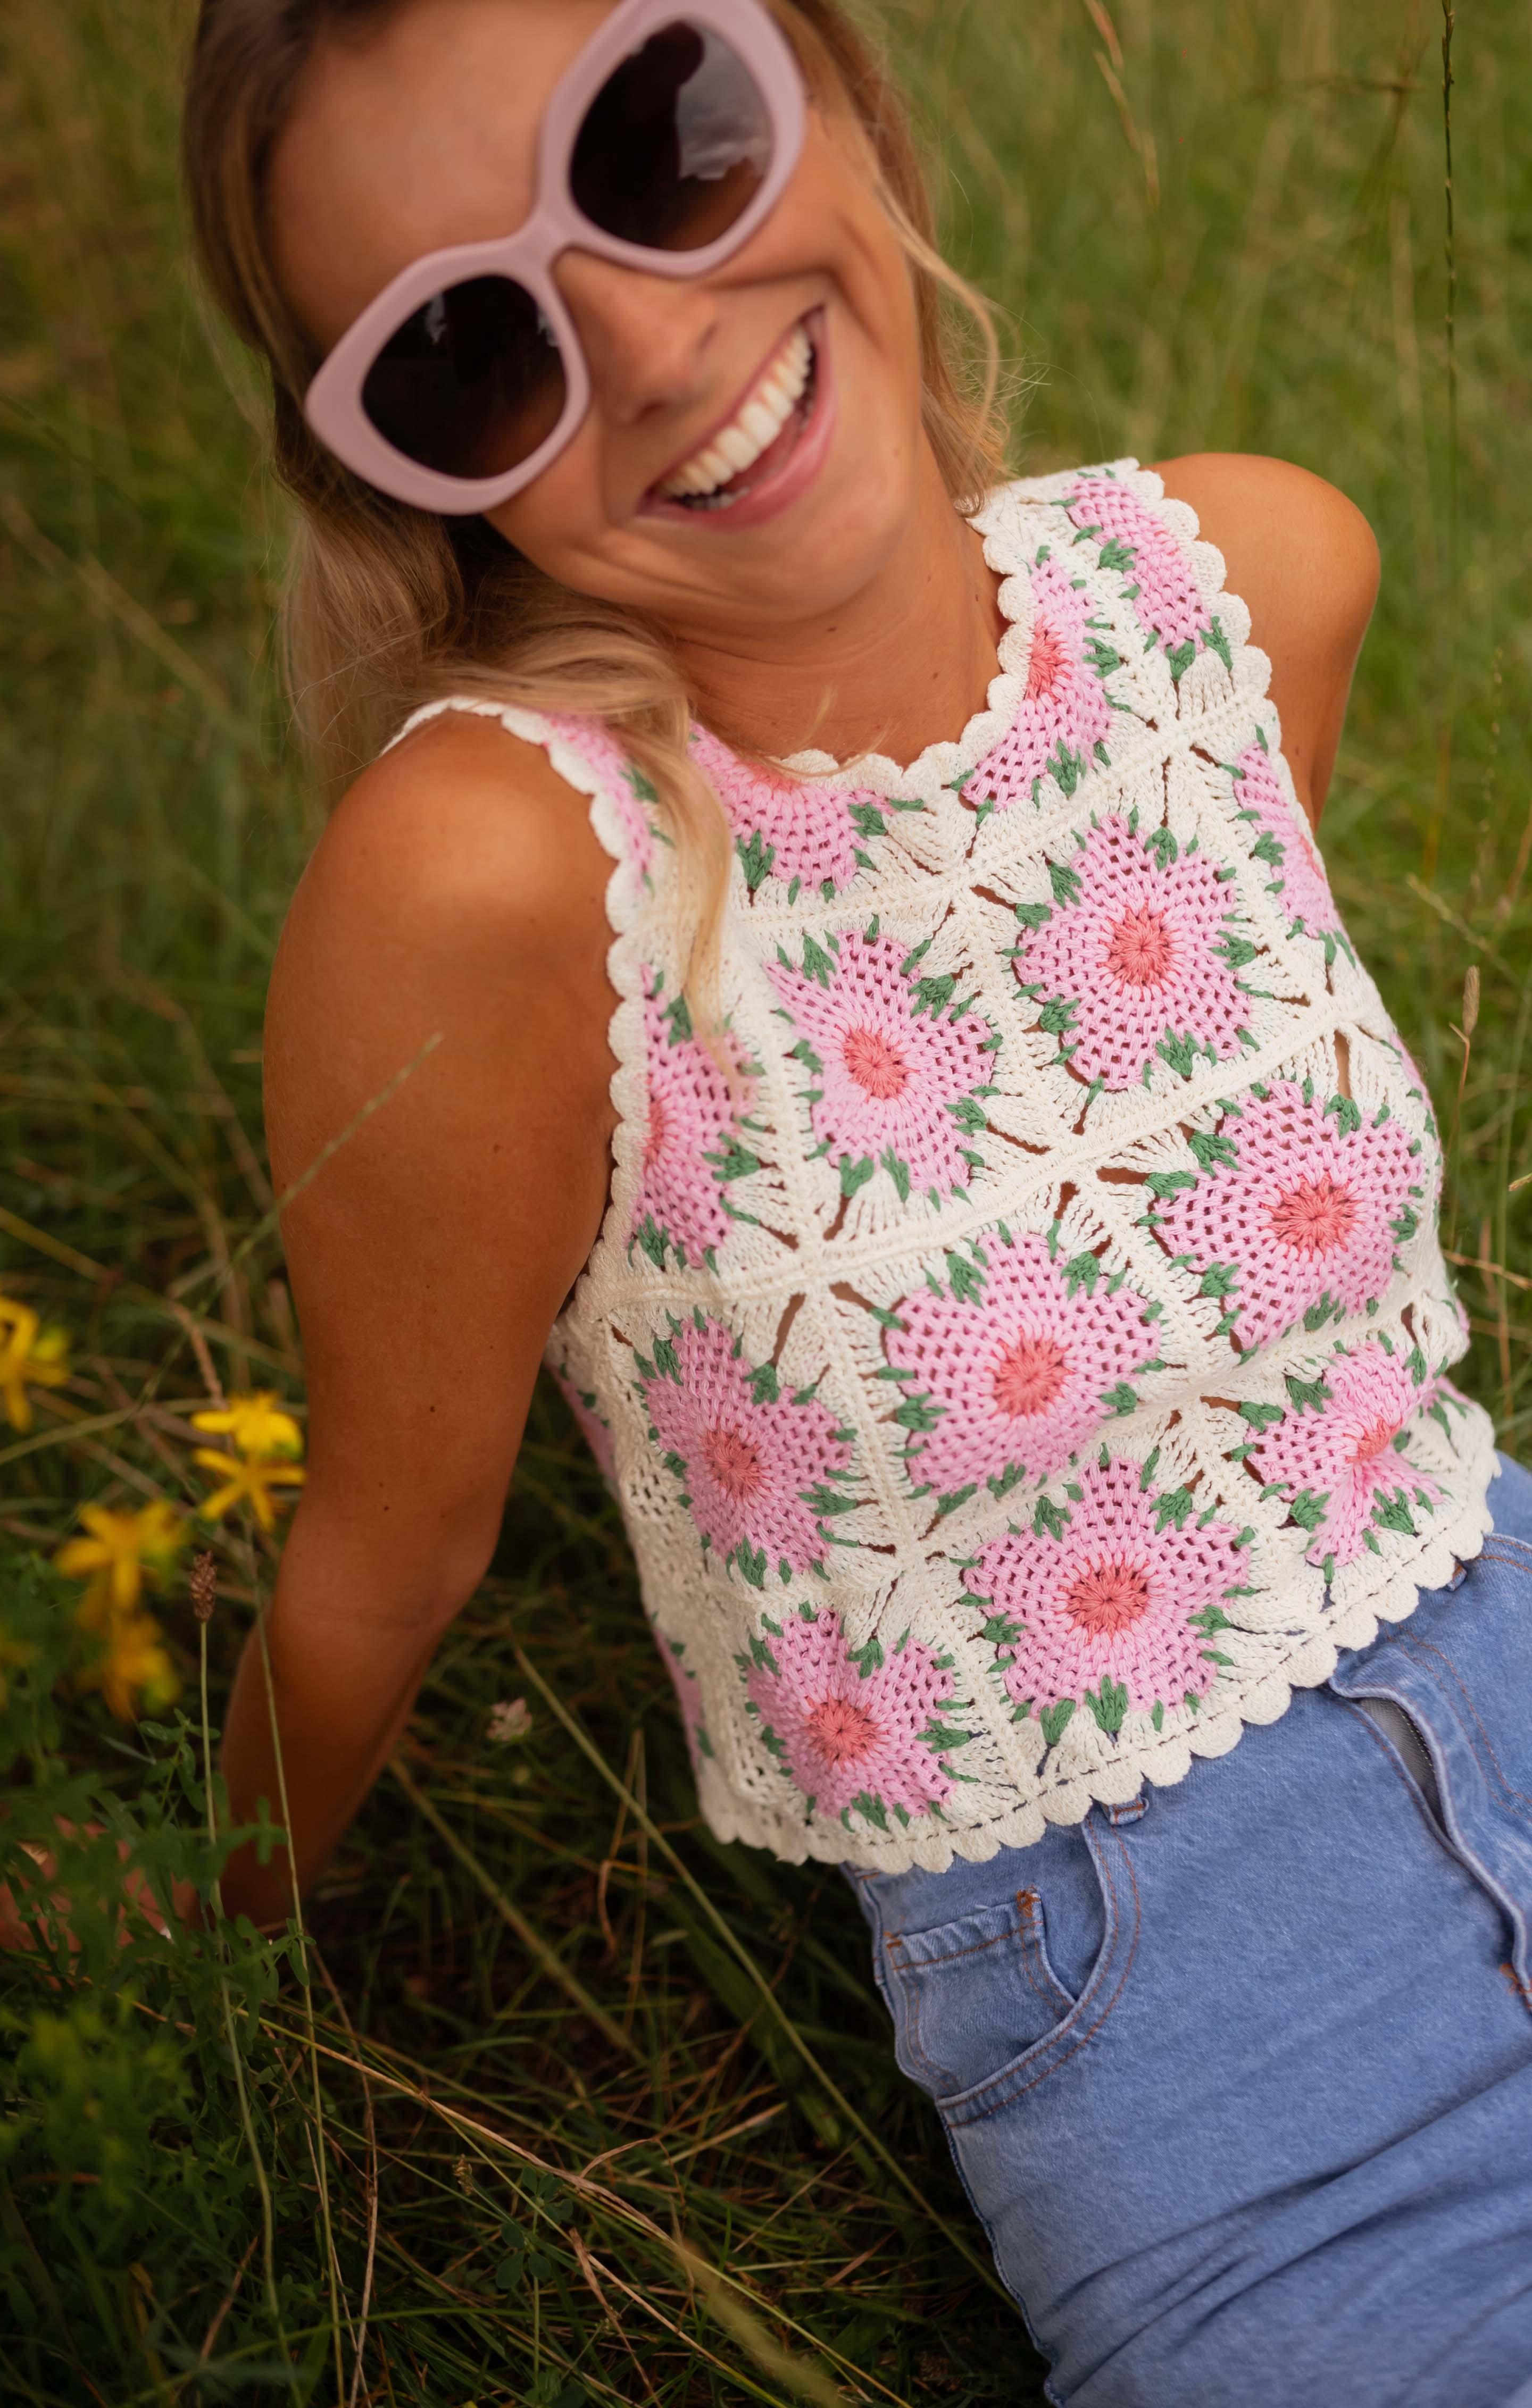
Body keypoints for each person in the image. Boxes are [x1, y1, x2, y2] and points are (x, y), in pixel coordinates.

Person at [181, 3, 1532, 2400]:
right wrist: (184, 1958)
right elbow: (390, 1551)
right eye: (474, 351)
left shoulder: (1235, 571)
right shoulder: (488, 876)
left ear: (830, 88)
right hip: (1215, 2042)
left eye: (662, 141)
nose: (649, 335)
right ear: (407, 474)